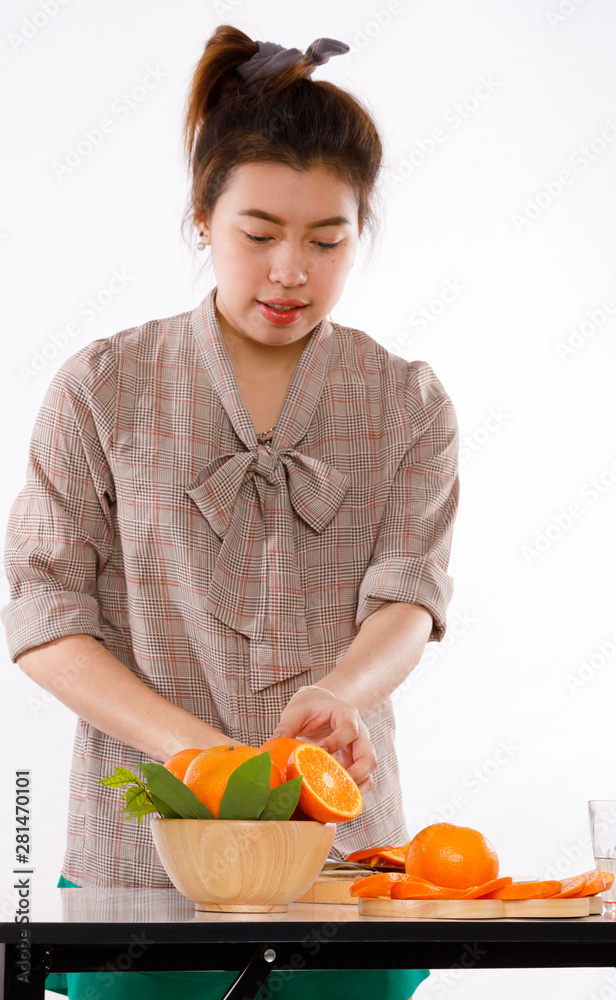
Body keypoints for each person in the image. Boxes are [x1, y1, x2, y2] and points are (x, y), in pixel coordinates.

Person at [1, 24, 459, 1000]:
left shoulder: (405, 401)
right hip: (139, 865)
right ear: (202, 219)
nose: (290, 269)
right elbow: (44, 617)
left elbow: (408, 599)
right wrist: (194, 749)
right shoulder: (102, 388)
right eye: (258, 234)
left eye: (327, 239)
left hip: (346, 860)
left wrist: (340, 690)